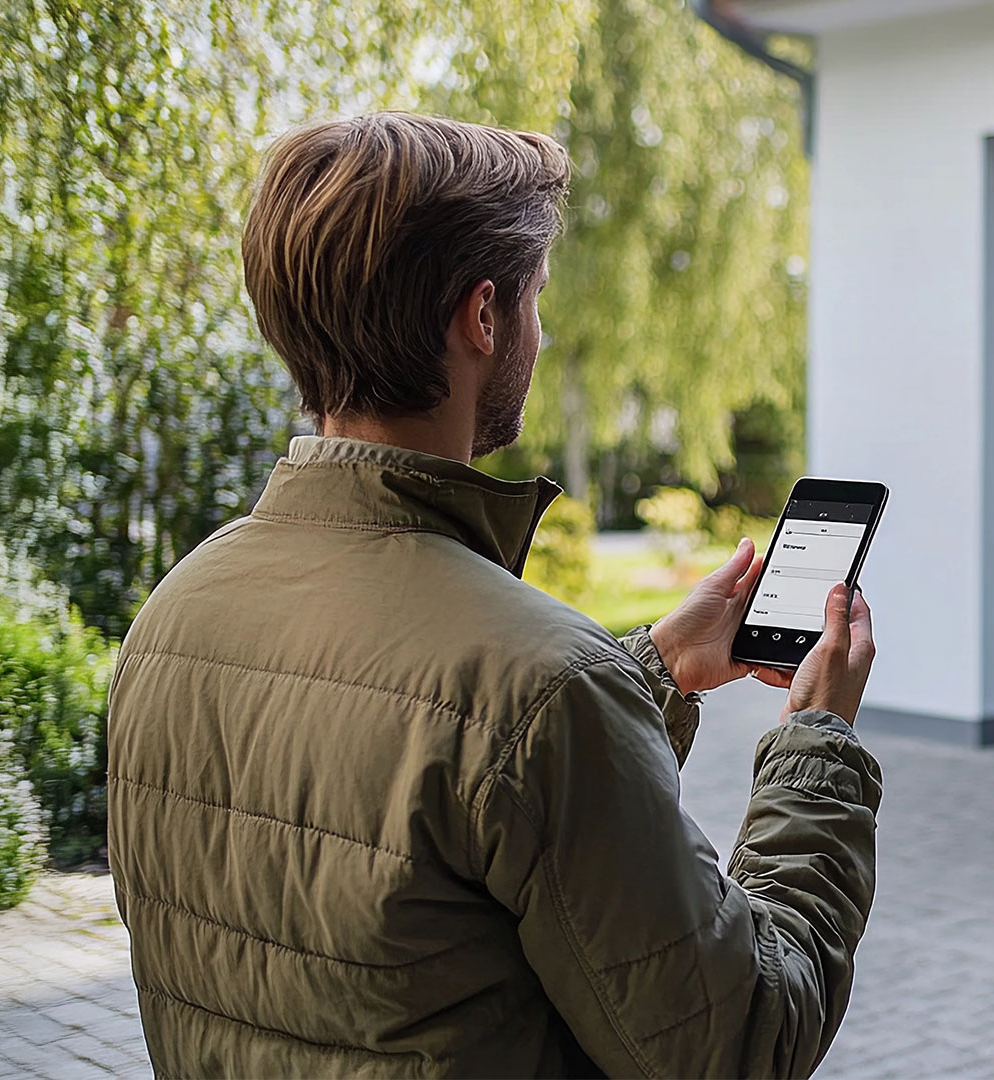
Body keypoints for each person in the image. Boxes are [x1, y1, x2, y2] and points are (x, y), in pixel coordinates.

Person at [105, 112, 882, 1079]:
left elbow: (434, 802)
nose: (540, 332)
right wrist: (817, 742)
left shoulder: (175, 614)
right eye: (534, 301)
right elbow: (740, 1038)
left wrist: (654, 671)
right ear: (482, 317)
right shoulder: (543, 689)